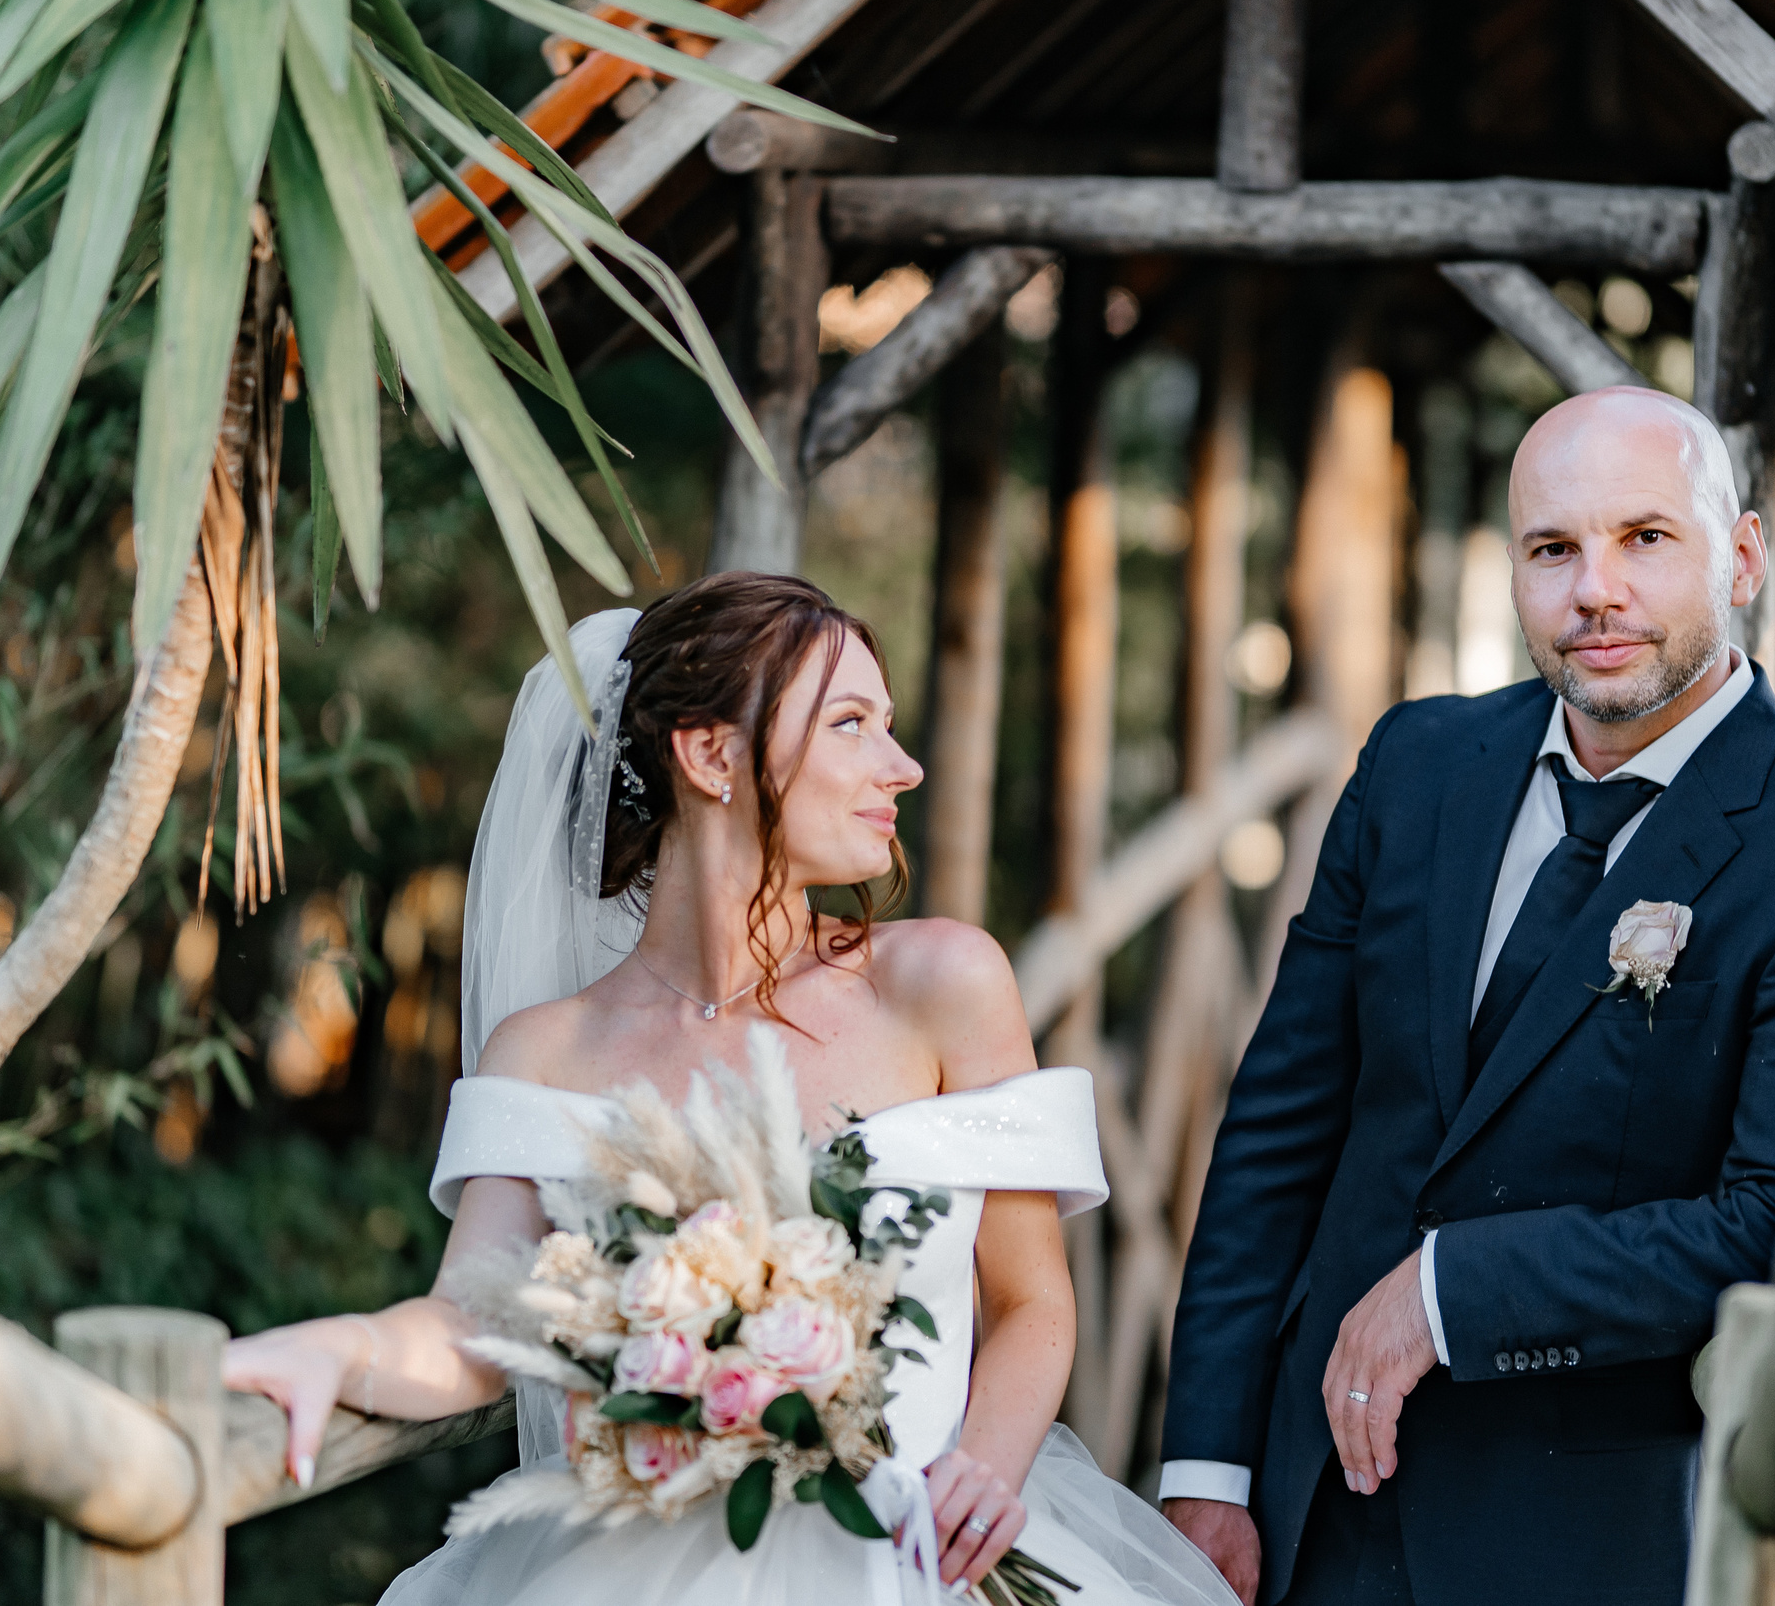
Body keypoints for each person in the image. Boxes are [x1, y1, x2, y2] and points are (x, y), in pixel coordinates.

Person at [225, 573, 1235, 1606]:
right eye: (851, 724)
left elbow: (1032, 1299)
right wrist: (336, 1349)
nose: (904, 765)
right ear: (711, 755)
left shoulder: (942, 985)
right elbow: (472, 1332)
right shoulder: (545, 1049)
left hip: (920, 1563)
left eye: (888, 726)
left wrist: (983, 1464)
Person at [1157, 389, 1775, 1606]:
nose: (1596, 592)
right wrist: (1207, 1463)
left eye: (1645, 539)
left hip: (1582, 1539)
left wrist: (1451, 1292)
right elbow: (1279, 1130)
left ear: (1738, 560)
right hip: (1311, 1505)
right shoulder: (1413, 765)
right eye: (1552, 549)